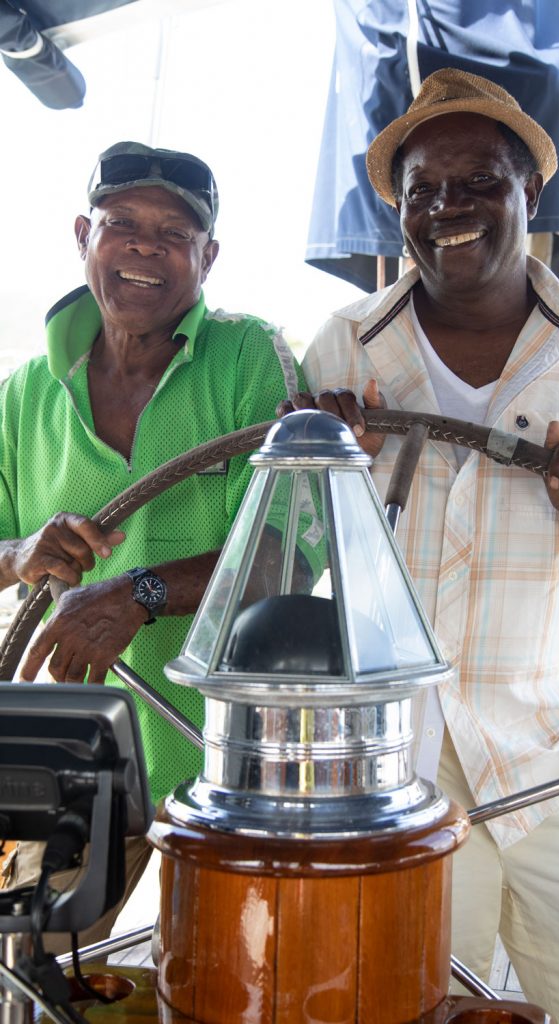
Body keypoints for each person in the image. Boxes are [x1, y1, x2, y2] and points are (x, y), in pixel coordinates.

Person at [289, 70, 559, 1024]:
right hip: (389, 764)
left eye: (477, 183)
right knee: (394, 1002)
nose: (446, 208)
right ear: (397, 209)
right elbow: (295, 555)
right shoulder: (340, 348)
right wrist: (334, 469)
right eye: (421, 189)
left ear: (529, 193)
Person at [0, 141, 305, 946]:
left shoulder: (249, 358)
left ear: (209, 256)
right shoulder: (25, 391)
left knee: (227, 978)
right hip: (71, 754)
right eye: (122, 224)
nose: (145, 247)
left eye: (175, 233)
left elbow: (288, 555)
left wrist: (139, 593)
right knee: (36, 970)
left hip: (225, 759)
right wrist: (20, 552)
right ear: (83, 236)